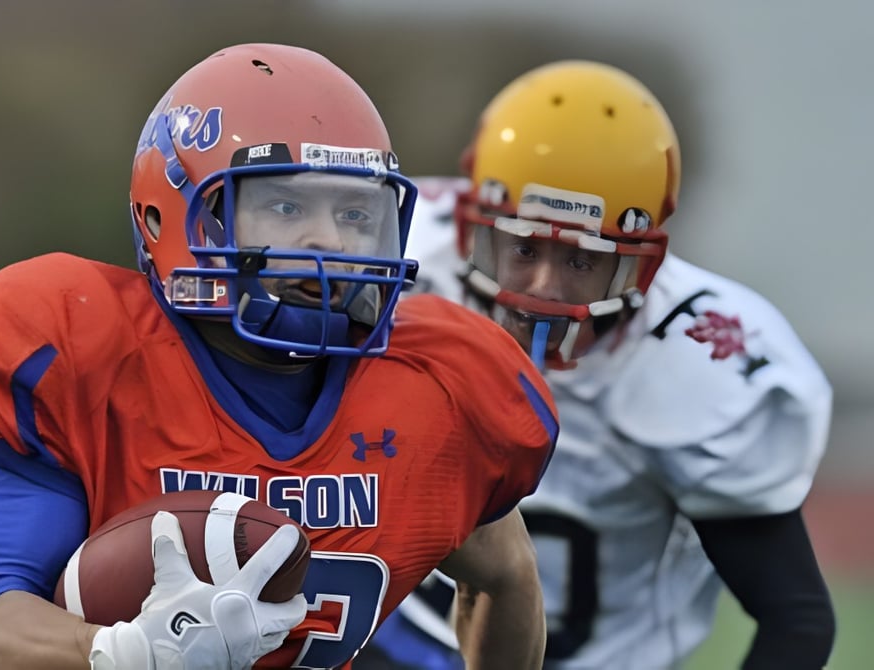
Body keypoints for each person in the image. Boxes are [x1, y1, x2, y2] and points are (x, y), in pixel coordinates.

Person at [0, 43, 559, 670]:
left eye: (353, 211)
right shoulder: (90, 360)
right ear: (173, 216)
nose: (330, 240)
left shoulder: (438, 388)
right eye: (286, 206)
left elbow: (506, 576)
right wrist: (126, 653)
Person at [356, 60, 836, 669]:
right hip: (394, 645)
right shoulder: (400, 257)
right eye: (524, 247)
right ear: (473, 229)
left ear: (640, 263)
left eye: (583, 260)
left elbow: (796, 617)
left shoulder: (702, 364)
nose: (544, 288)